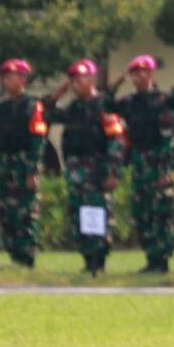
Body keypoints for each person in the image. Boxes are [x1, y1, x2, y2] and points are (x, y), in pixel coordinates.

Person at [49, 60, 124, 275]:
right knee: (78, 216)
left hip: (96, 171)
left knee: (96, 215)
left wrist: (113, 172)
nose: (75, 85)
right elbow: (47, 115)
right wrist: (56, 95)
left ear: (91, 80)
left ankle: (98, 262)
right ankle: (87, 258)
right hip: (75, 171)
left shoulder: (105, 106)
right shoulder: (73, 108)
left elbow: (116, 141)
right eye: (72, 81)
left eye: (79, 80)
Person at [0, 59, 48, 267]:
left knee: (25, 211)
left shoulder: (32, 106)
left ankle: (27, 255)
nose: (5, 82)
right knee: (5, 210)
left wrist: (33, 171)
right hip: (6, 165)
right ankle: (14, 254)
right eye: (4, 78)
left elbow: (37, 141)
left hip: (24, 164)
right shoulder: (2, 107)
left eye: (10, 77)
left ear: (23, 79)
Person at [112, 55, 174, 274]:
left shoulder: (162, 101)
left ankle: (163, 259)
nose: (139, 77)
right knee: (142, 213)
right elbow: (106, 105)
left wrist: (165, 170)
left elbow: (168, 138)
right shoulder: (130, 102)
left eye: (143, 72)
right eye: (134, 73)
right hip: (139, 163)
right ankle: (151, 257)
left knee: (160, 213)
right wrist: (116, 84)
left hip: (157, 162)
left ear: (151, 74)